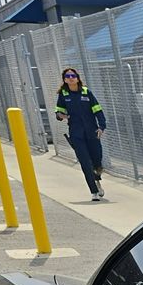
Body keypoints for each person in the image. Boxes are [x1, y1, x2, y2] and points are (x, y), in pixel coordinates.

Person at [54, 68, 108, 201]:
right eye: (68, 76)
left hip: (92, 132)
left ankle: (97, 177)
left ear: (77, 78)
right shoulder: (63, 94)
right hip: (76, 134)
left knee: (97, 161)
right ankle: (94, 191)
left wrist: (101, 127)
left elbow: (98, 110)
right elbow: (58, 112)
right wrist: (61, 116)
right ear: (65, 79)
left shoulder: (86, 92)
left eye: (73, 75)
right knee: (85, 162)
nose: (71, 78)